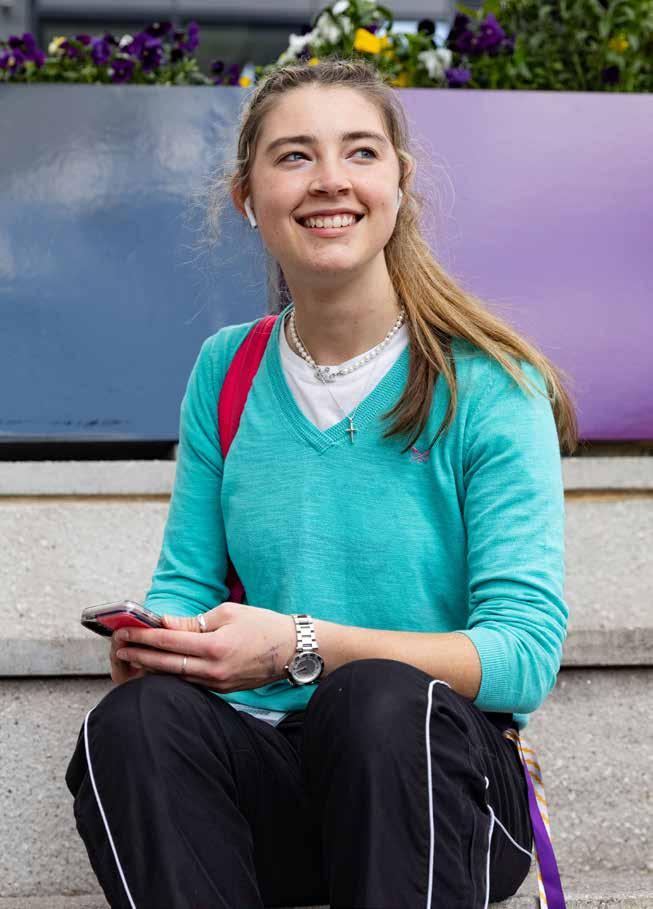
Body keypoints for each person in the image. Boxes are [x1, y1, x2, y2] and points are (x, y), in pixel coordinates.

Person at [65, 57, 578, 909]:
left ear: (399, 184)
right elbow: (187, 582)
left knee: (372, 698)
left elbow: (523, 657)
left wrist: (300, 642)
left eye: (360, 152)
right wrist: (162, 645)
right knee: (136, 721)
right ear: (247, 197)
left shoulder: (490, 382)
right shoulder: (227, 368)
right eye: (295, 155)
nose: (330, 179)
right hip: (271, 785)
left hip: (437, 787)